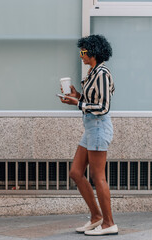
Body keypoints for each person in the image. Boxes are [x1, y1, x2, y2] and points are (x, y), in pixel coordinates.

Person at [59, 34, 118, 236]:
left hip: (99, 126)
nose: (81, 55)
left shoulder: (102, 73)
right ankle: (96, 217)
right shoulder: (93, 72)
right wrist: (77, 95)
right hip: (91, 127)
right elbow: (93, 99)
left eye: (83, 52)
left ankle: (109, 223)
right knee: (76, 172)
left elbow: (103, 106)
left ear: (93, 52)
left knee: (97, 176)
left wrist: (78, 104)